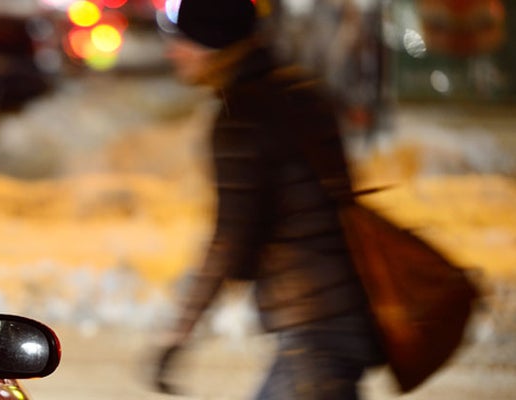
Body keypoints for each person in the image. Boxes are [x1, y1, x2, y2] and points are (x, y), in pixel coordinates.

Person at [153, 0, 384, 398]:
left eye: (184, 41)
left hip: (314, 321)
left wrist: (180, 330)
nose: (173, 51)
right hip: (346, 307)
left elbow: (231, 239)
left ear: (213, 45)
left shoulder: (240, 116)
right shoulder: (301, 91)